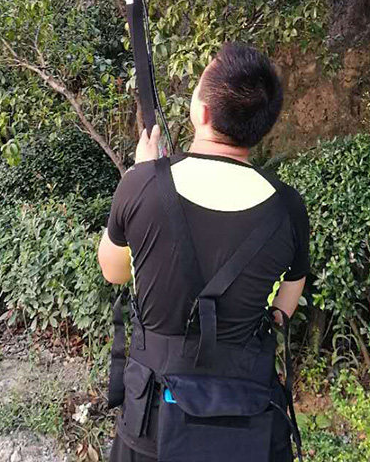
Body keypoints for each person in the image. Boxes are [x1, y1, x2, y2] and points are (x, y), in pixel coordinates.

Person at [98, 42, 310, 462]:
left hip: (152, 423)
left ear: (204, 112)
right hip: (246, 421)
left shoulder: (142, 184)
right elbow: (286, 303)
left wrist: (141, 171)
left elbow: (114, 271)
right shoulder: (287, 206)